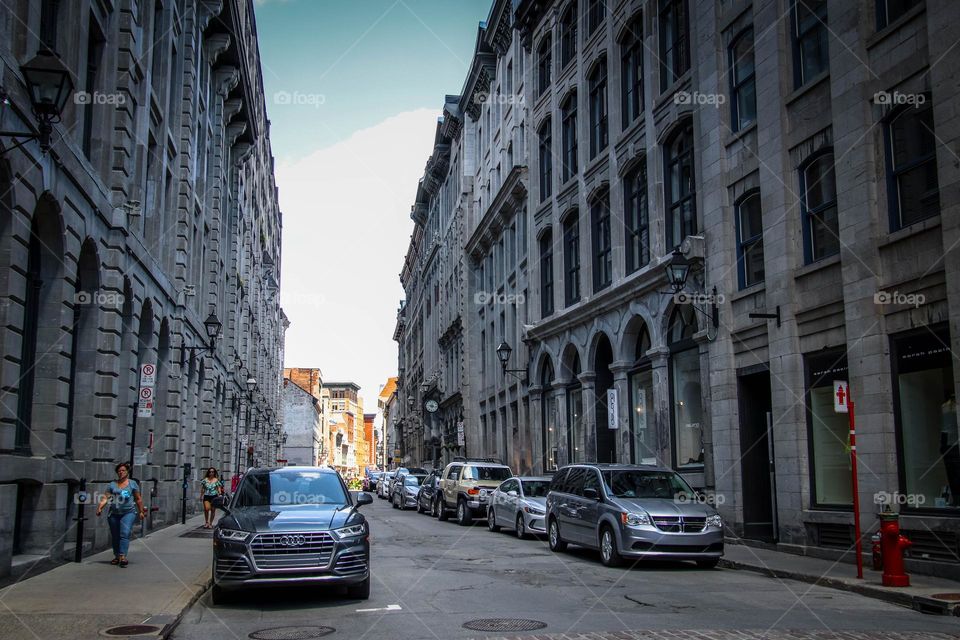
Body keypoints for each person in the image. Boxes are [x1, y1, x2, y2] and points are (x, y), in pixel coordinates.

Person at [96, 462, 145, 567]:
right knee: (115, 536)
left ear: (127, 472)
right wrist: (100, 507)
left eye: (123, 470)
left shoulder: (132, 484)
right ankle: (117, 555)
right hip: (114, 513)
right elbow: (106, 497)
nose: (121, 472)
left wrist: (141, 511)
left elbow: (138, 499)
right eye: (119, 471)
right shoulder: (112, 484)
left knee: (124, 533)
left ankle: (122, 556)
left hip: (128, 512)